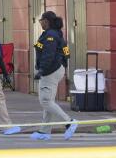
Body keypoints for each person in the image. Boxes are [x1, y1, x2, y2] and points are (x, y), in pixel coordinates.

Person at [32, 11, 77, 141]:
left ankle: (69, 122)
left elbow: (48, 55)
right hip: (56, 69)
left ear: (47, 21)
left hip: (50, 70)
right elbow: (66, 53)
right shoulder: (56, 34)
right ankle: (44, 131)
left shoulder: (50, 35)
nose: (40, 23)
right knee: (49, 101)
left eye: (42, 20)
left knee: (45, 101)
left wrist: (41, 70)